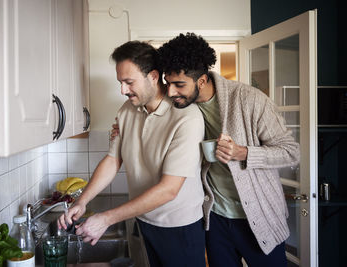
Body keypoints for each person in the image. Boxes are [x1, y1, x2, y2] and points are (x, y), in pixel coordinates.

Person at [57, 41, 207, 267]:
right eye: (120, 82)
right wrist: (83, 201)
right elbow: (112, 159)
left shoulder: (187, 118)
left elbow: (168, 190)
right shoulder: (127, 110)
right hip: (142, 220)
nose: (122, 90)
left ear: (153, 76)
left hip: (179, 228)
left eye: (129, 82)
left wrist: (106, 218)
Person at [157, 33, 300, 267]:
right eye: (168, 83)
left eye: (179, 85)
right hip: (215, 220)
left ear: (202, 80)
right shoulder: (179, 106)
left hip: (259, 217)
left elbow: (291, 151)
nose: (171, 92)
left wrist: (244, 153)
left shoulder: (249, 99)